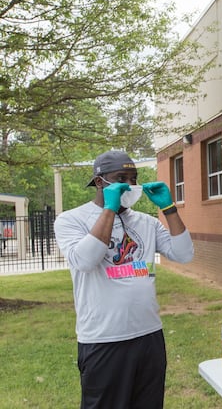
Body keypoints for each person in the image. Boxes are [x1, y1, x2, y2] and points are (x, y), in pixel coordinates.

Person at [54, 150, 194, 409]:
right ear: (100, 182)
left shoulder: (146, 222)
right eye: (121, 178)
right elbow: (86, 260)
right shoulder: (70, 220)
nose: (130, 185)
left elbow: (184, 254)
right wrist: (108, 210)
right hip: (104, 339)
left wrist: (169, 208)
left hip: (149, 335)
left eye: (134, 178)